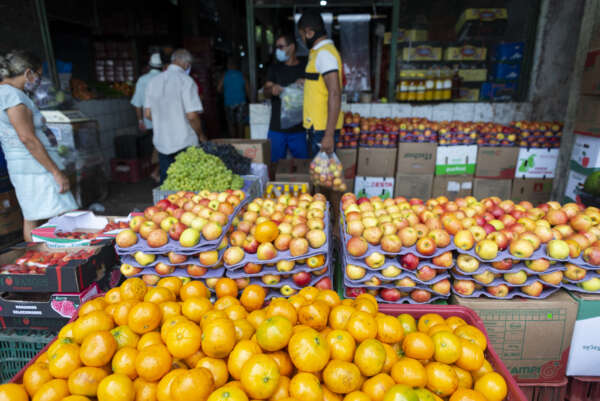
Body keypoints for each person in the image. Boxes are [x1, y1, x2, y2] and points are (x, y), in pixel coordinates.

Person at [0, 50, 77, 241]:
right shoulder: (14, 97)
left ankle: (39, 264)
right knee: (63, 215)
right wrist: (56, 172)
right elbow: (28, 138)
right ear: (28, 73)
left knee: (32, 217)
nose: (38, 80)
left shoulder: (4, 92)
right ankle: (61, 261)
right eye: (38, 75)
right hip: (37, 167)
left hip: (23, 166)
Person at [144, 49, 206, 184]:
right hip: (185, 141)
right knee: (188, 184)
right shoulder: (186, 81)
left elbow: (148, 114)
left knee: (168, 184)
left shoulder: (154, 82)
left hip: (162, 142)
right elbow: (192, 116)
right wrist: (201, 135)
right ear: (186, 64)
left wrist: (165, 122)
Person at [297, 11, 343, 156]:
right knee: (320, 174)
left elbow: (335, 92)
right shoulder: (318, 53)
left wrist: (328, 135)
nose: (302, 40)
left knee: (323, 176)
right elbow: (322, 82)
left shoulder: (324, 54)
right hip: (317, 127)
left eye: (302, 35)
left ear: (309, 32)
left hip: (323, 129)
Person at [264, 33, 308, 163]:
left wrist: (308, 84)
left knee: (303, 165)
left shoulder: (305, 68)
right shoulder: (274, 68)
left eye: (281, 46)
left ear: (292, 47)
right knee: (274, 165)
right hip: (277, 128)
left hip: (299, 129)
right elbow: (265, 92)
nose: (277, 50)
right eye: (276, 47)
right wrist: (272, 90)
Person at [130, 52, 162, 181]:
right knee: (163, 148)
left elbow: (137, 103)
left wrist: (140, 120)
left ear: (149, 66)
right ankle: (156, 172)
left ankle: (156, 171)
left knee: (156, 147)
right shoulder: (165, 78)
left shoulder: (142, 80)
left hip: (148, 123)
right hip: (164, 122)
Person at [218, 58, 248, 138]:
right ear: (236, 66)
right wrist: (251, 101)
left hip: (229, 102)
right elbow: (248, 89)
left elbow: (218, 88)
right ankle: (241, 141)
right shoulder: (242, 75)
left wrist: (225, 92)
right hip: (241, 102)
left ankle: (234, 142)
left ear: (228, 65)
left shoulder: (225, 75)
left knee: (231, 124)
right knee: (240, 123)